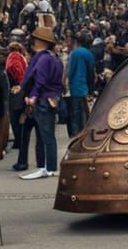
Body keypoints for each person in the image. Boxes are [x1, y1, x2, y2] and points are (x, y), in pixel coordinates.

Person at [18, 26, 62, 180]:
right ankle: (48, 167)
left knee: (45, 136)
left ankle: (47, 168)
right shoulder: (54, 58)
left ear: (39, 41)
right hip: (52, 99)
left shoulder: (43, 58)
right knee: (48, 135)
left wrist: (33, 97)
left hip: (43, 99)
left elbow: (40, 80)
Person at [66, 32, 95, 137]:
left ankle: (75, 135)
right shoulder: (89, 53)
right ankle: (84, 133)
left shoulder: (74, 53)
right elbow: (91, 71)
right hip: (85, 87)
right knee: (85, 113)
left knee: (75, 114)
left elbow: (71, 70)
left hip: (75, 86)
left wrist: (67, 83)